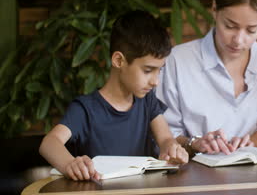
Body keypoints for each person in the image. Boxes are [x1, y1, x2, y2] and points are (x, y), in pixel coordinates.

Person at [39, 10, 188, 181]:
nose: (155, 81)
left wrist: (171, 147)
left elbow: (166, 138)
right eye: (148, 70)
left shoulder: (148, 101)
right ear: (119, 61)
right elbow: (49, 143)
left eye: (159, 70)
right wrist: (70, 164)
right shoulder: (85, 109)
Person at [157, 0, 257, 155]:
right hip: (194, 178)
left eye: (251, 30)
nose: (239, 40)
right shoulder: (177, 61)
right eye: (230, 26)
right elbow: (163, 135)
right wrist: (195, 143)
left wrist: (253, 141)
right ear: (215, 10)